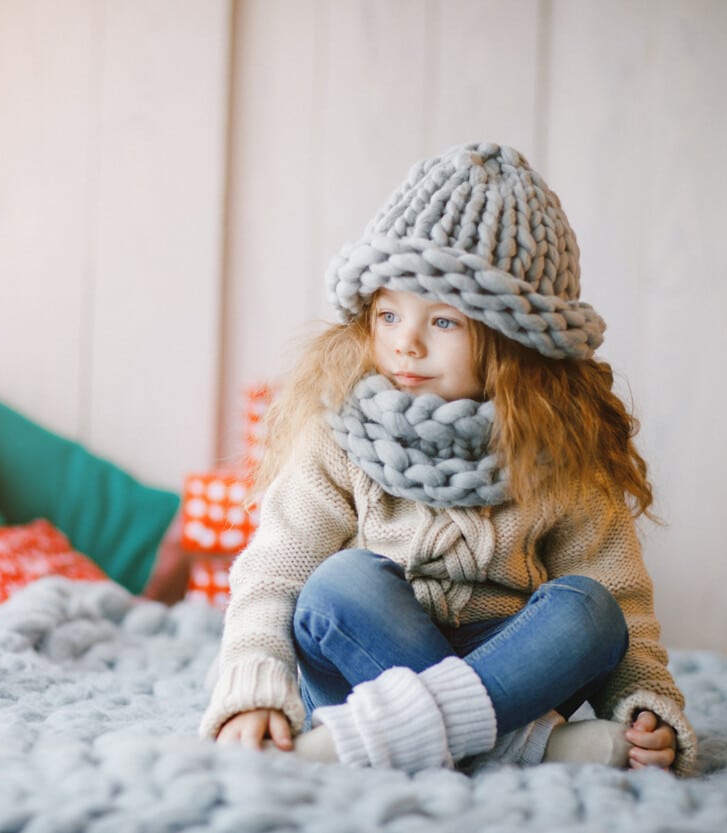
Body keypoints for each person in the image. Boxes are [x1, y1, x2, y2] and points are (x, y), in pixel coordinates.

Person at [199, 142, 696, 776]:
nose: (404, 342)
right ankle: (524, 745)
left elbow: (623, 601)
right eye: (387, 313)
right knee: (337, 585)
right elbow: (273, 569)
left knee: (589, 610)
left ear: (514, 340)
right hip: (366, 662)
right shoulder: (340, 434)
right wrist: (251, 688)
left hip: (516, 663)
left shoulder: (562, 458)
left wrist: (644, 704)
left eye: (443, 322)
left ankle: (376, 741)